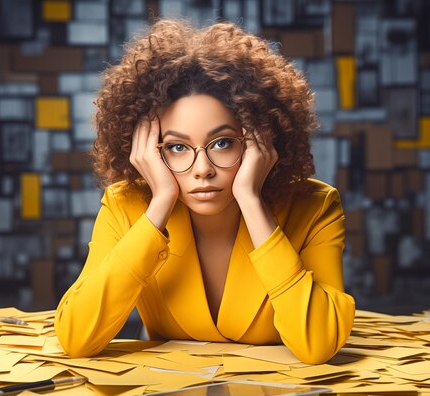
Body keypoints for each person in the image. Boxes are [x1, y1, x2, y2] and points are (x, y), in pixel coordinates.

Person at [55, 18, 355, 364]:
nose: (202, 169)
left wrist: (251, 200)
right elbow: (76, 338)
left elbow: (319, 343)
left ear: (262, 140)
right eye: (177, 147)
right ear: (148, 150)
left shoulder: (316, 207)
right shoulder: (126, 206)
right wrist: (161, 203)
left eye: (222, 143)